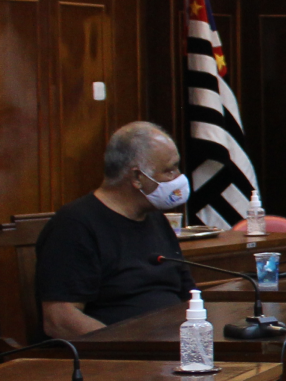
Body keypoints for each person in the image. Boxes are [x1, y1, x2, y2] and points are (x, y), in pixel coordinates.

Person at [36, 121, 194, 337]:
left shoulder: (156, 219)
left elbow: (187, 294)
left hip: (173, 345)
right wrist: (129, 348)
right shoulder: (75, 225)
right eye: (169, 170)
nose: (178, 178)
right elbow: (60, 319)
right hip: (119, 357)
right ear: (137, 178)